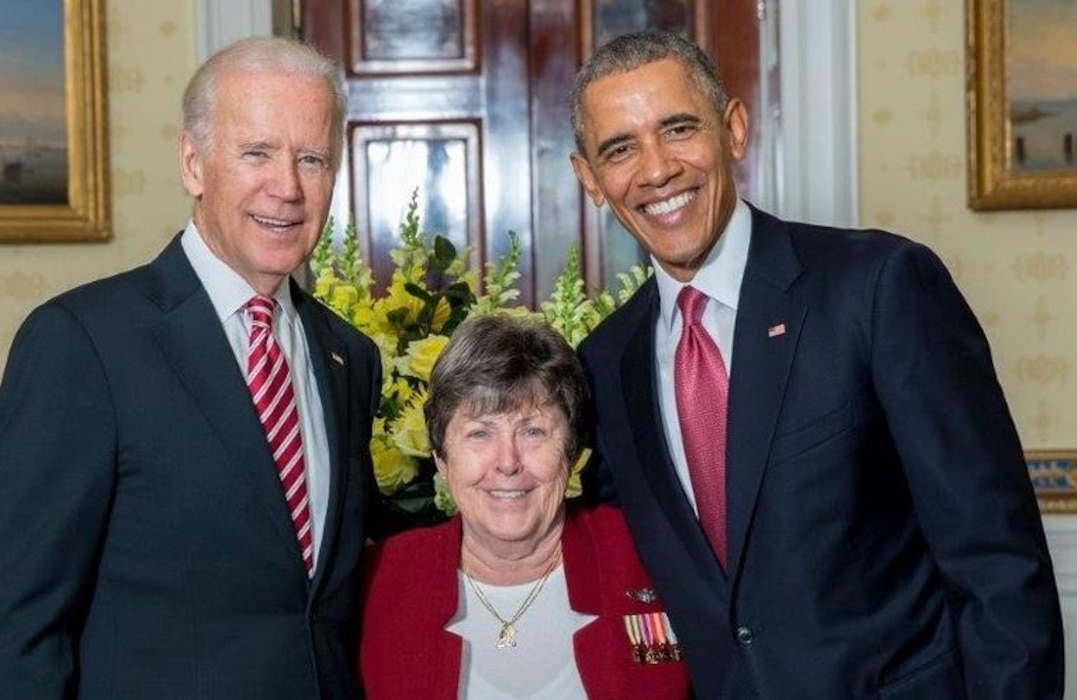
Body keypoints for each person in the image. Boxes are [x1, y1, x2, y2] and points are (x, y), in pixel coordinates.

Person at [570, 29, 1064, 700]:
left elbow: (997, 563)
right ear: (590, 179)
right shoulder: (603, 363)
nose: (655, 170)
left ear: (734, 129)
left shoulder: (876, 287)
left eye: (678, 128)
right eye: (619, 148)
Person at [0, 37, 382, 700]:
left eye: (312, 158)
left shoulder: (347, 355)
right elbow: (18, 623)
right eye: (256, 152)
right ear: (193, 164)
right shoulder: (81, 344)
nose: (287, 188)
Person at [358, 314, 691, 699]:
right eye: (480, 433)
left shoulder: (645, 555)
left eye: (533, 432)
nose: (508, 462)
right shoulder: (380, 579)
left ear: (571, 451)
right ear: (441, 459)